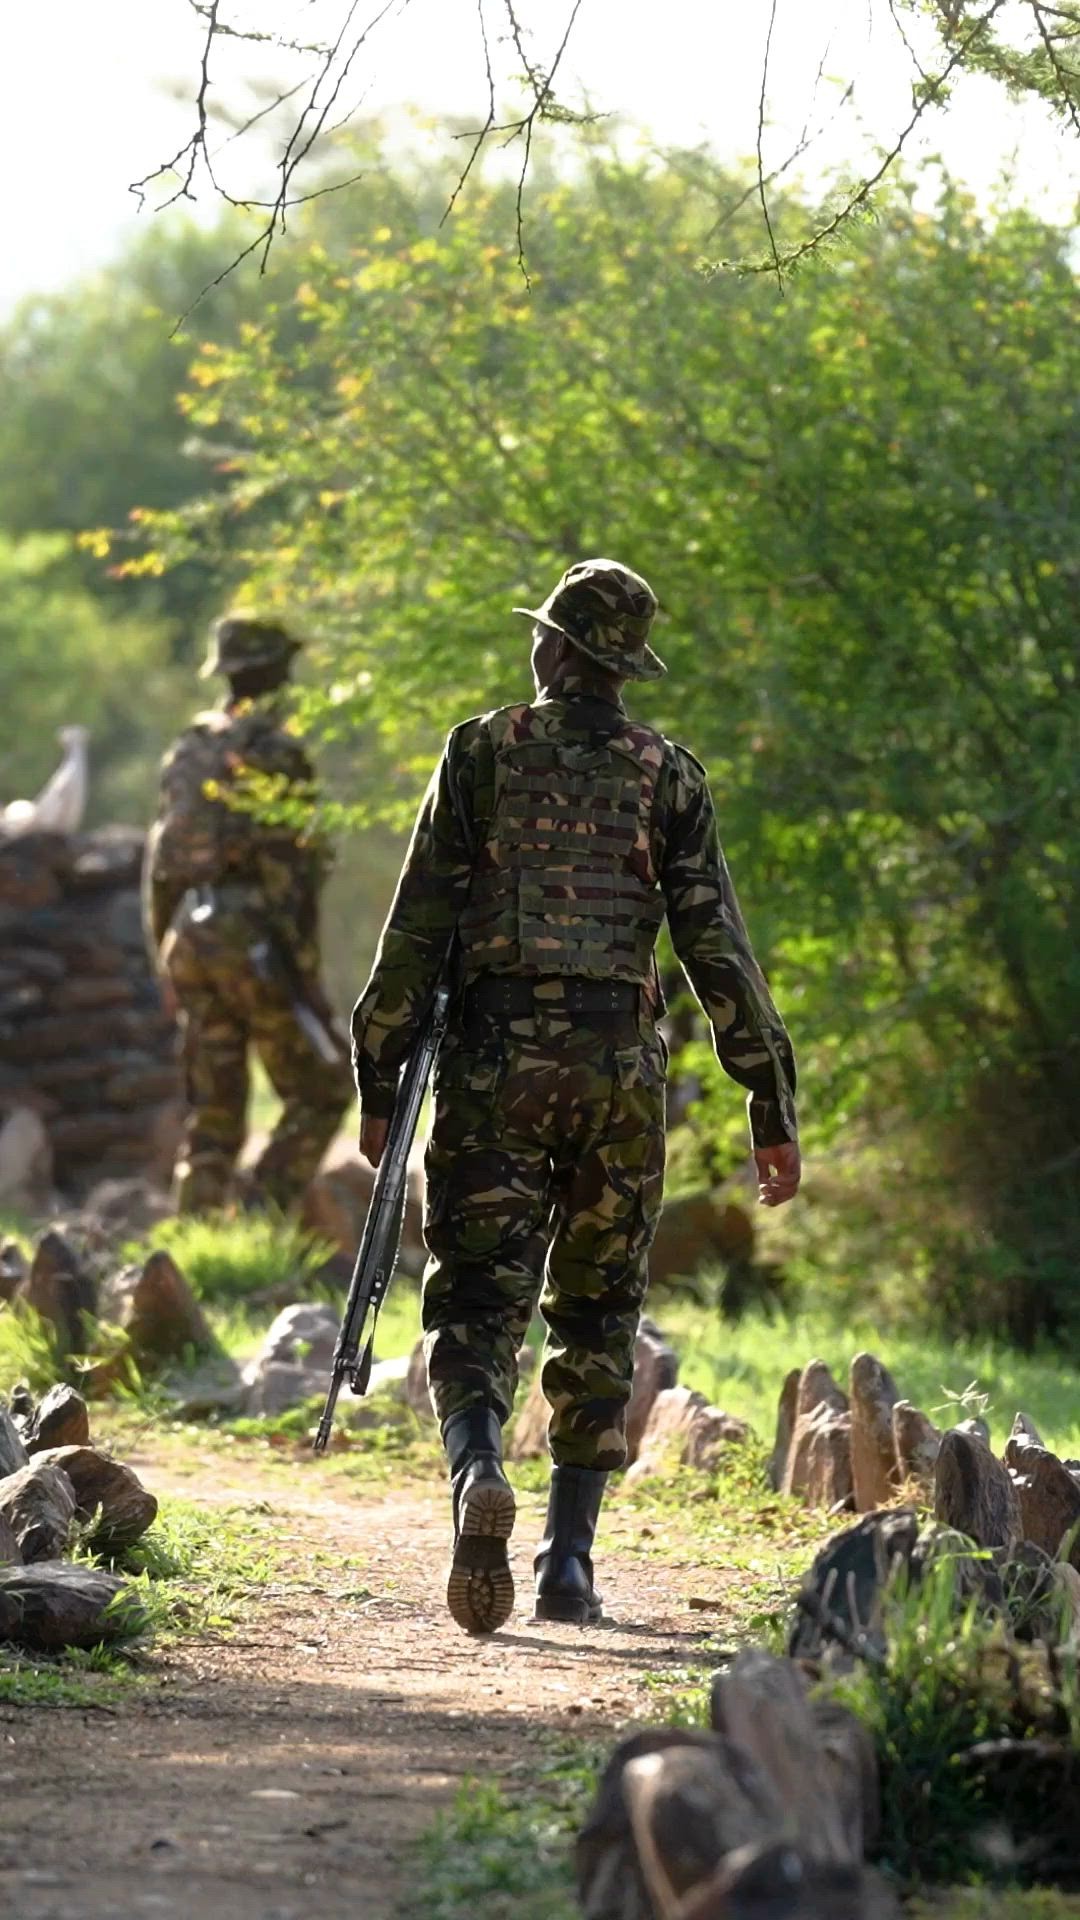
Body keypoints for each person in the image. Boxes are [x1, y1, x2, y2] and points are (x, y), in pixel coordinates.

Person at [352, 559, 799, 1636]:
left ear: (554, 649)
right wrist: (768, 1099)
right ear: (622, 667)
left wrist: (378, 1076)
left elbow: (416, 925)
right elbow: (715, 945)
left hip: (493, 1062)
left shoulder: (479, 751)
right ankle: (568, 1565)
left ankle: (476, 1472)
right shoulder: (668, 775)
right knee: (600, 1309)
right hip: (619, 1072)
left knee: (476, 1296)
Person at [144, 613, 352, 1215]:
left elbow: (162, 863)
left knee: (214, 1110)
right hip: (251, 939)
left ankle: (196, 1239)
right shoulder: (279, 753)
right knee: (323, 1092)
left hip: (187, 938)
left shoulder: (189, 746)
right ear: (272, 673)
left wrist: (164, 958)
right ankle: (260, 1219)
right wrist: (309, 982)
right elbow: (292, 877)